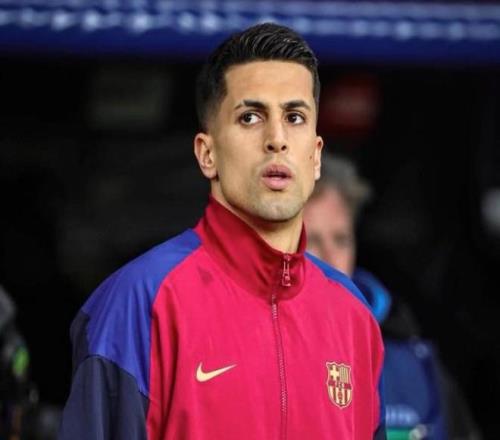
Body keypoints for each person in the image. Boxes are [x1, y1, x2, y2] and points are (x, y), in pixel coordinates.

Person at [58, 23, 386, 439]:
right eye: (250, 117)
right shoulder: (139, 302)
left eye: (295, 117)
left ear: (316, 156)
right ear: (207, 153)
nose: (277, 139)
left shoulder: (354, 317)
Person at [304, 153, 482, 440]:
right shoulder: (254, 349)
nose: (330, 257)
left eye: (341, 239)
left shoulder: (412, 355)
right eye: (311, 240)